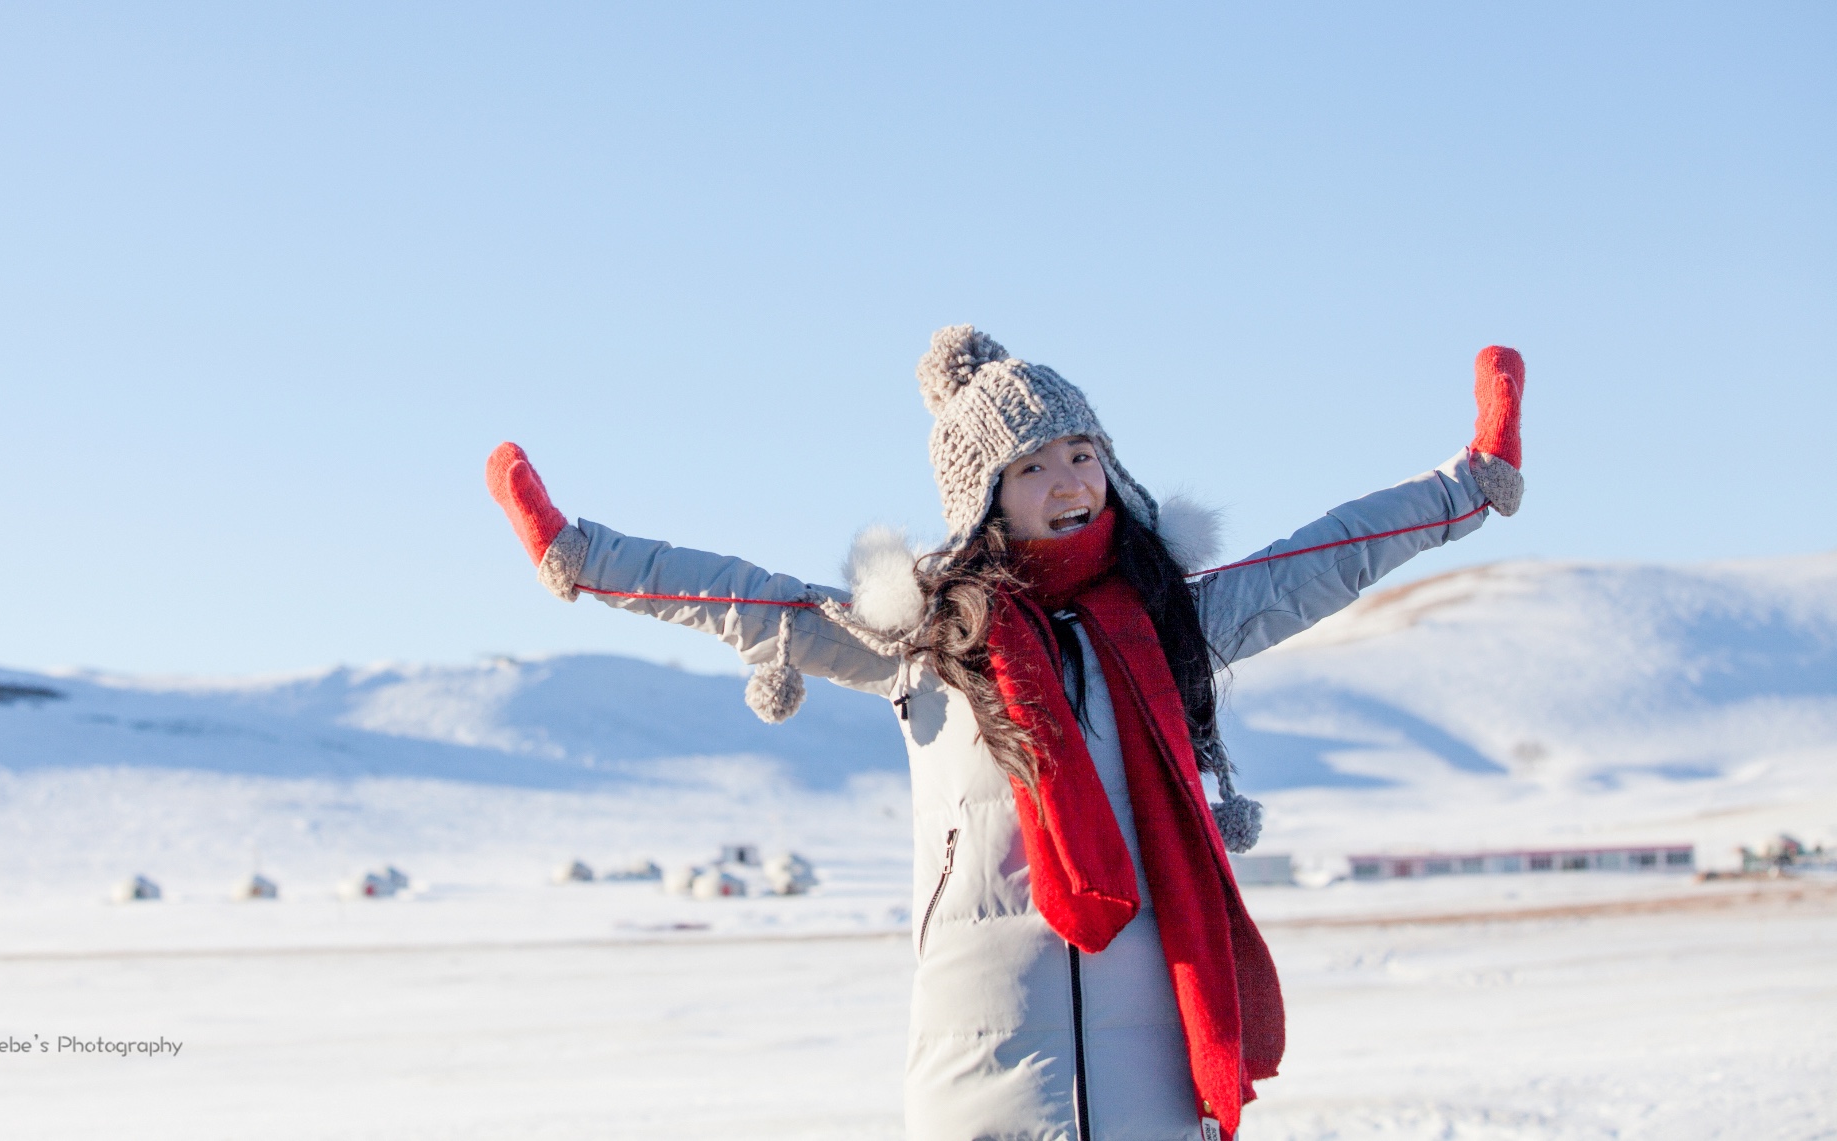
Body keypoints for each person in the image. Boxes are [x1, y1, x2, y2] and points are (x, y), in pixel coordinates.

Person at [485, 325, 1526, 1141]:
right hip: (979, 1070)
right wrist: (580, 552)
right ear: (982, 497)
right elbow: (747, 600)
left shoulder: (1174, 623)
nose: (1071, 482)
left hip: (1158, 1067)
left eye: (1083, 454)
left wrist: (1468, 480)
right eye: (1035, 467)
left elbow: (1322, 556)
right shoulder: (920, 642)